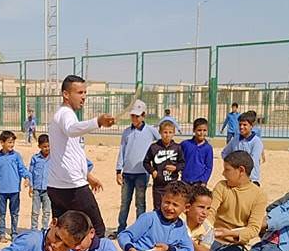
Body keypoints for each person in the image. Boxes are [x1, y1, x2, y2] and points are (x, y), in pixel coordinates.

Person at [46, 75, 116, 240]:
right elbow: (72, 129)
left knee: (63, 235)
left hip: (58, 186)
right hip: (72, 188)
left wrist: (88, 176)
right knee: (96, 230)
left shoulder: (64, 114)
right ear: (66, 94)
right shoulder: (66, 113)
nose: (83, 97)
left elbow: (71, 153)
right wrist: (97, 122)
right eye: (79, 92)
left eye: (85, 92)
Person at [115, 100, 159, 236]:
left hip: (142, 173)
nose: (134, 118)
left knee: (140, 203)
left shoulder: (151, 131)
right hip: (127, 173)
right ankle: (121, 228)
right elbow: (122, 150)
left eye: (137, 116)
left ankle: (140, 230)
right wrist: (118, 170)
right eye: (132, 115)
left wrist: (155, 164)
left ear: (143, 115)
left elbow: (160, 144)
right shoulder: (126, 132)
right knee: (124, 203)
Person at [0, 130, 31, 242]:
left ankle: (14, 233)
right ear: (2, 142)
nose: (12, 145)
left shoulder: (16, 156)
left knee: (14, 213)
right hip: (1, 191)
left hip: (14, 190)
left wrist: (27, 177)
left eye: (13, 142)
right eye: (9, 142)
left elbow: (22, 169)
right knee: (1, 214)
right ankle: (2, 234)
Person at [143, 118, 186, 211]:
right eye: (165, 132)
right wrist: (152, 171)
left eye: (170, 132)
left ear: (174, 133)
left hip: (172, 184)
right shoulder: (154, 147)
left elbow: (182, 163)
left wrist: (176, 168)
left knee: (171, 208)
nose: (167, 135)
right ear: (160, 133)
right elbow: (145, 162)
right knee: (158, 208)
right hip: (159, 185)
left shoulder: (177, 147)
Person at [221, 113, 264, 185]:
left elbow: (253, 161)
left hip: (251, 179)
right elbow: (224, 153)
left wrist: (237, 165)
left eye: (244, 125)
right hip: (235, 179)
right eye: (240, 124)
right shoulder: (235, 139)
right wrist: (231, 165)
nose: (241, 127)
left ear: (251, 126)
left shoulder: (256, 142)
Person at [28, 134, 52, 231]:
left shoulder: (53, 158)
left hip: (48, 189)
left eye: (48, 146)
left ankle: (44, 229)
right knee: (35, 211)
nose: (47, 148)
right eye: (44, 146)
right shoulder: (35, 158)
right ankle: (34, 229)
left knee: (46, 211)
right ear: (39, 146)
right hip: (37, 189)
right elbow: (31, 172)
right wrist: (30, 186)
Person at [180, 117, 213, 187]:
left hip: (199, 183)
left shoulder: (208, 148)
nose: (202, 133)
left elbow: (209, 167)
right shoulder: (185, 144)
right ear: (194, 130)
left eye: (204, 130)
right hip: (185, 180)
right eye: (199, 130)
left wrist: (204, 180)